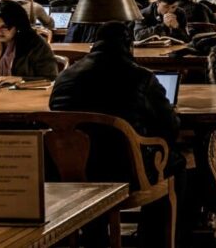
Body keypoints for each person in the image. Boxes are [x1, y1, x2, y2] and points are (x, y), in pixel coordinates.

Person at [48, 21, 185, 244]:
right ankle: (154, 239)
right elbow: (169, 127)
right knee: (176, 163)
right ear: (129, 45)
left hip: (71, 170)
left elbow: (57, 116)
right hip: (126, 170)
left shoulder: (65, 76)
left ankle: (95, 236)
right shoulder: (141, 77)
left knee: (96, 150)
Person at [0, 0, 59, 80]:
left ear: (18, 26)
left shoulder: (35, 44)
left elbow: (50, 77)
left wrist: (20, 79)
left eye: (5, 27)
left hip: (24, 96)